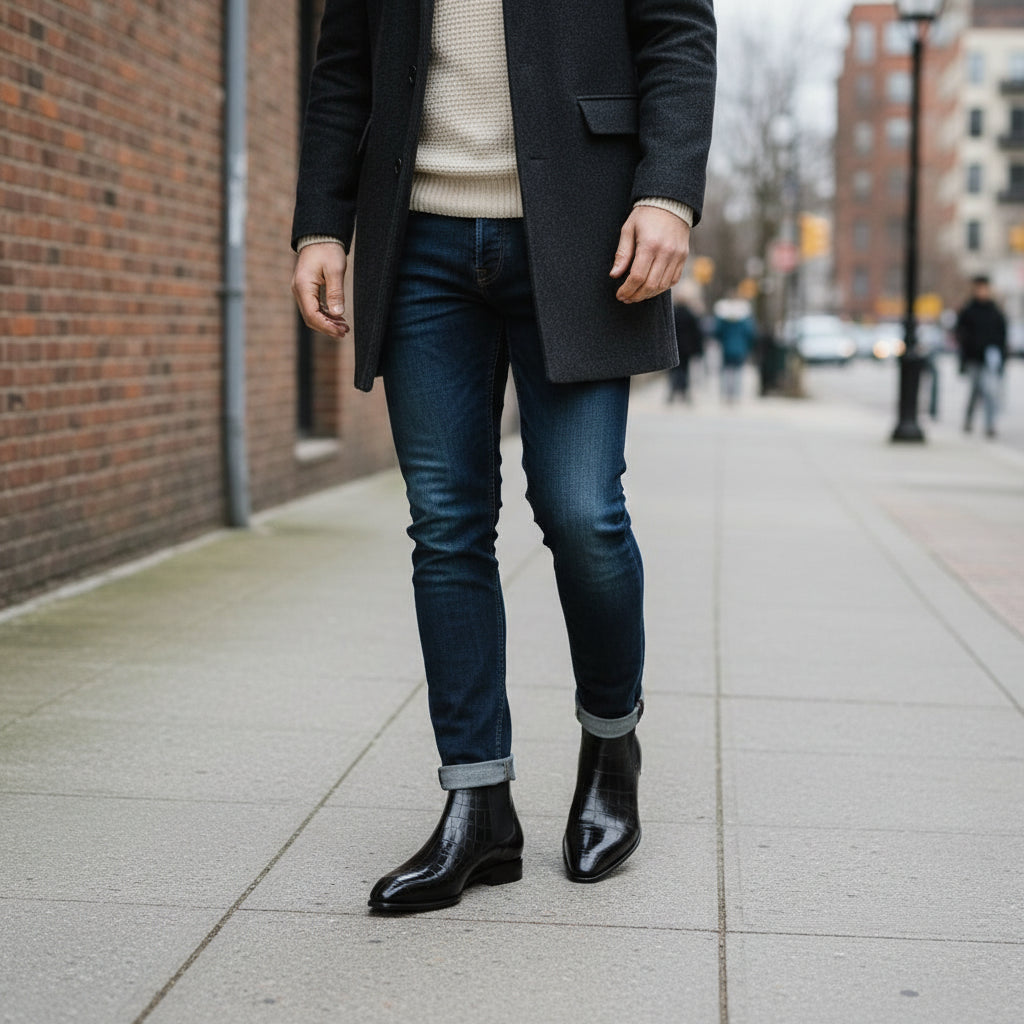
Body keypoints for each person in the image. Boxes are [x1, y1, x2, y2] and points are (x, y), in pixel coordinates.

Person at [290, 0, 716, 913]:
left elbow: (678, 32)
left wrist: (669, 190)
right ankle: (478, 803)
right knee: (446, 524)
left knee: (582, 512)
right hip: (417, 237)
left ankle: (611, 742)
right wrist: (320, 224)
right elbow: (342, 68)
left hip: (585, 227)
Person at [956, 275, 1007, 439]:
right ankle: (969, 419)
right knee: (975, 390)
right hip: (973, 358)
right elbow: (960, 335)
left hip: (989, 359)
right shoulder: (968, 310)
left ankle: (990, 424)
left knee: (989, 390)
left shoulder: (995, 312)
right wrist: (963, 359)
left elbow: (1002, 337)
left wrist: (1001, 360)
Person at [712, 294, 756, 404]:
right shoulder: (745, 317)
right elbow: (750, 333)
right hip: (741, 348)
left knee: (726, 372)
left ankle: (726, 395)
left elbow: (717, 331)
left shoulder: (723, 316)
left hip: (726, 347)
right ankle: (736, 395)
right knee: (738, 372)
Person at [668, 281, 705, 403]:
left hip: (673, 347)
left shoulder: (672, 313)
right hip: (686, 348)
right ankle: (684, 392)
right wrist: (698, 349)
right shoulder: (690, 314)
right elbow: (697, 333)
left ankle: (673, 391)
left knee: (673, 370)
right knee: (685, 370)